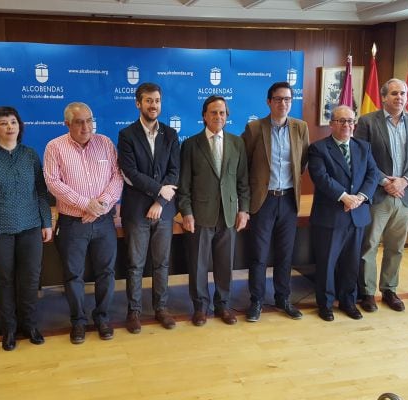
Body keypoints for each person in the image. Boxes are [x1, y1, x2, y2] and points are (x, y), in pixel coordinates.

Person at [0, 106, 53, 351]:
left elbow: (40, 192)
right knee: (5, 280)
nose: (9, 127)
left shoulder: (30, 155)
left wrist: (46, 222)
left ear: (20, 126)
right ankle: (9, 329)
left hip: (30, 226)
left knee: (30, 279)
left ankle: (30, 325)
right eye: (3, 123)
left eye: (13, 122)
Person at [43, 102, 123, 342]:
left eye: (89, 120)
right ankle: (78, 321)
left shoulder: (106, 143)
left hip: (104, 221)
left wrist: (101, 206)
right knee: (73, 275)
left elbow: (117, 176)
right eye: (79, 122)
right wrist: (85, 204)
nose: (86, 126)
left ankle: (103, 318)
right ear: (67, 124)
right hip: (72, 223)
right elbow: (52, 182)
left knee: (106, 272)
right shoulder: (54, 147)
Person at [353, 78, 408, 313]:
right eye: (394, 93)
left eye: (403, 93)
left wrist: (404, 180)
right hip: (379, 193)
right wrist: (386, 181)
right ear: (384, 97)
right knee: (370, 245)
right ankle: (367, 292)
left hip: (406, 194)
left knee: (396, 247)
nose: (400, 97)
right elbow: (363, 156)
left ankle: (389, 289)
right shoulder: (368, 121)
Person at [178, 95, 250, 326]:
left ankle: (223, 305)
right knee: (198, 264)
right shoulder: (190, 145)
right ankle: (200, 307)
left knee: (224, 264)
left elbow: (243, 182)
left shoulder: (237, 143)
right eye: (213, 112)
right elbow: (184, 184)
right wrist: (186, 212)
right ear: (204, 116)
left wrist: (244, 210)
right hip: (200, 215)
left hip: (228, 214)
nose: (218, 116)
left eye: (222, 113)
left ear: (227, 116)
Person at [241, 81, 309, 322]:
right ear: (269, 102)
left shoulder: (300, 128)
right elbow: (244, 166)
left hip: (289, 199)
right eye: (278, 99)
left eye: (288, 99)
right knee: (259, 255)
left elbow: (303, 163)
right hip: (263, 201)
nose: (283, 103)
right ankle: (257, 300)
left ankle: (283, 298)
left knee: (285, 254)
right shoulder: (255, 128)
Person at [117, 82, 180, 333]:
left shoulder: (170, 134)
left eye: (156, 101)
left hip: (163, 210)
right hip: (136, 211)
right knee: (135, 264)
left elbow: (175, 171)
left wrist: (160, 202)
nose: (153, 105)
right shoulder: (127, 135)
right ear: (138, 103)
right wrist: (158, 191)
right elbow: (130, 172)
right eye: (148, 101)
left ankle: (161, 308)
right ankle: (134, 312)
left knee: (161, 263)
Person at [308, 106, 378, 321]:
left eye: (350, 121)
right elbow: (321, 178)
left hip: (357, 215)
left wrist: (361, 198)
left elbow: (373, 174)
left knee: (352, 262)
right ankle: (326, 304)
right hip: (330, 216)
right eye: (341, 121)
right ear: (332, 124)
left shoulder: (363, 147)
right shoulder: (319, 148)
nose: (346, 125)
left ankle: (348, 301)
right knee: (327, 263)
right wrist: (344, 197)